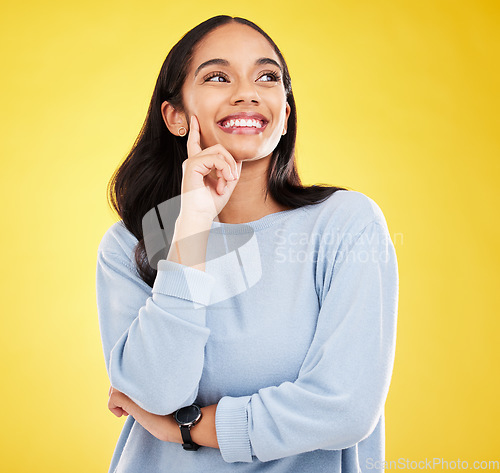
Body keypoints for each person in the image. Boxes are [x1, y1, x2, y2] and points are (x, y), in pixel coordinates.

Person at [96, 14, 399, 473]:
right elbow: (156, 392)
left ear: (285, 114)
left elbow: (345, 407)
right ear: (175, 116)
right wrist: (192, 226)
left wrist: (186, 427)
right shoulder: (131, 244)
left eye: (267, 77)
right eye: (218, 76)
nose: (247, 92)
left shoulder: (345, 224)